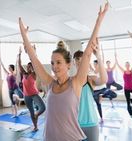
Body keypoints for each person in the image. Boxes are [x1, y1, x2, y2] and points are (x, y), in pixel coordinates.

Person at [19, 1, 108, 140]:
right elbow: (34, 60)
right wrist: (24, 36)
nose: (54, 67)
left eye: (59, 62)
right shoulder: (50, 83)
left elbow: (88, 53)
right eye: (52, 63)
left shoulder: (76, 83)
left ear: (68, 65)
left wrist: (99, 21)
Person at [73, 39, 107, 141]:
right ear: (74, 63)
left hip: (92, 123)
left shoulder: (90, 78)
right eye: (77, 61)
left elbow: (104, 80)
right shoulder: (71, 81)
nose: (80, 63)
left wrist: (98, 56)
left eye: (82, 60)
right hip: (75, 124)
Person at [18, 47, 46, 132]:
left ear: (32, 68)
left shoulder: (34, 74)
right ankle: (35, 126)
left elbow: (35, 62)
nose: (29, 67)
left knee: (43, 108)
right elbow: (19, 64)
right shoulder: (24, 73)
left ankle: (36, 115)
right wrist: (19, 54)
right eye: (28, 66)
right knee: (31, 112)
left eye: (30, 66)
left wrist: (34, 52)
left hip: (34, 94)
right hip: (26, 96)